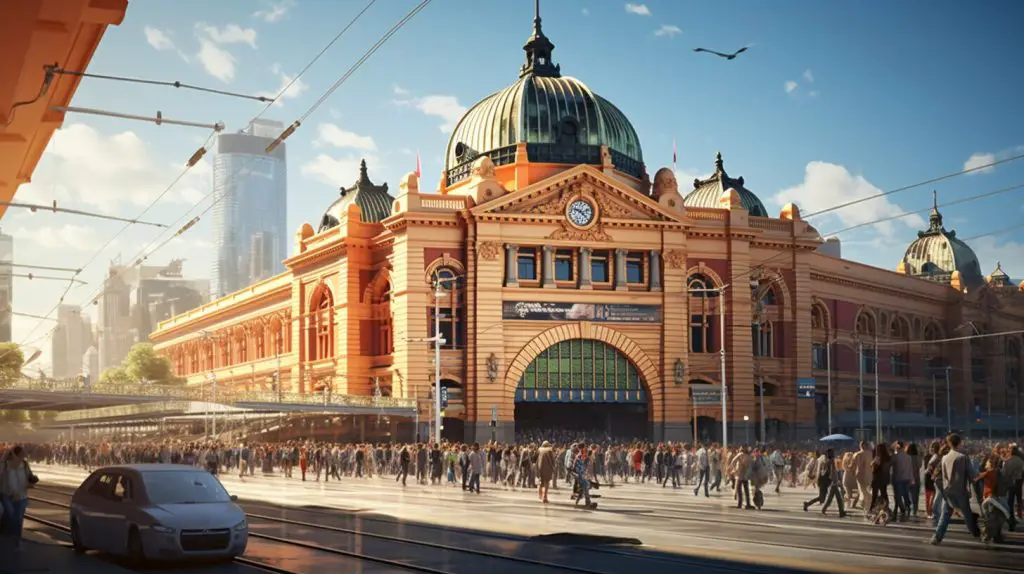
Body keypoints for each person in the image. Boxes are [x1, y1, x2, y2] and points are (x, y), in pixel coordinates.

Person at [0, 445, 38, 550]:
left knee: (19, 519)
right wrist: (3, 460)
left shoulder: (25, 465)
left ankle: (17, 540)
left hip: (22, 496)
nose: (23, 456)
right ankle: (9, 535)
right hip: (7, 495)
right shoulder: (5, 465)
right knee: (11, 516)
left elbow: (30, 476)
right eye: (21, 454)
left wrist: (33, 480)